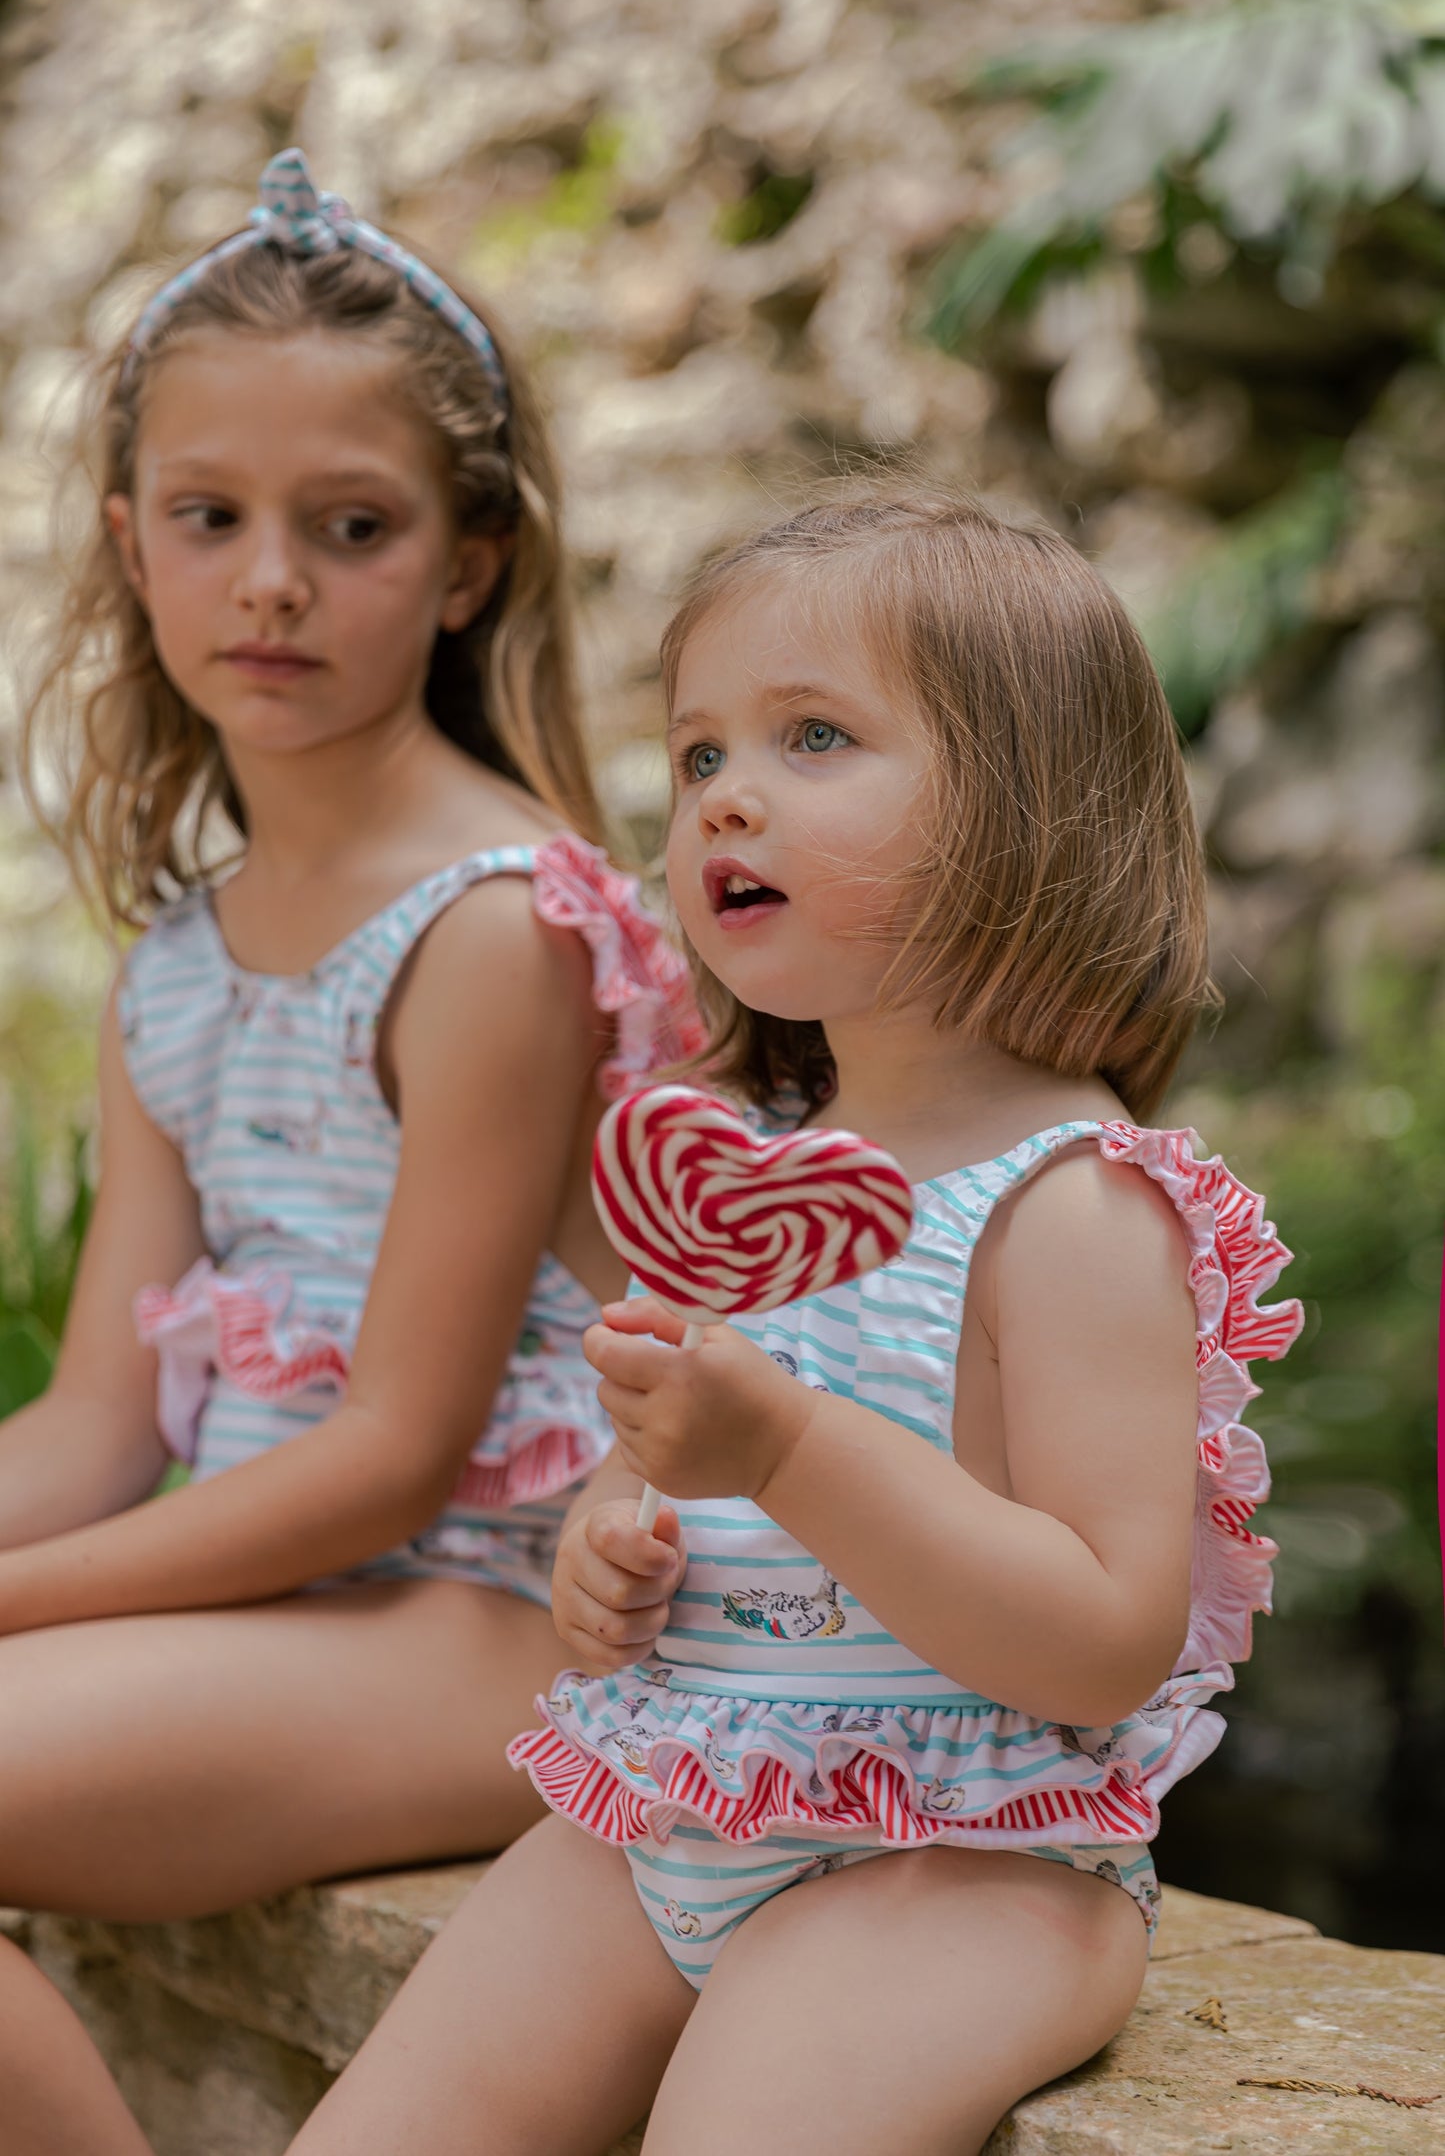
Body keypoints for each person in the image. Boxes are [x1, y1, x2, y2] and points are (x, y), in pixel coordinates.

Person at [285, 490, 1303, 2156]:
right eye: (696, 757)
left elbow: (1106, 1632)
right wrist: (613, 1544)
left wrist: (786, 1445)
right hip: (668, 1808)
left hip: (964, 1858)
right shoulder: (740, 1177)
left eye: (811, 736)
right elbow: (686, 1489)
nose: (723, 799)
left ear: (1027, 808)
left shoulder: (1068, 1208)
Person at [0, 151, 698, 2153]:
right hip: (293, 1617)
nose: (273, 579)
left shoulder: (497, 926)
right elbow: (90, 1424)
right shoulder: (184, 958)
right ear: (131, 545)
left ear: (468, 561)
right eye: (211, 519)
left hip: (489, 1617)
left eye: (353, 525)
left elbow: (397, 1450)